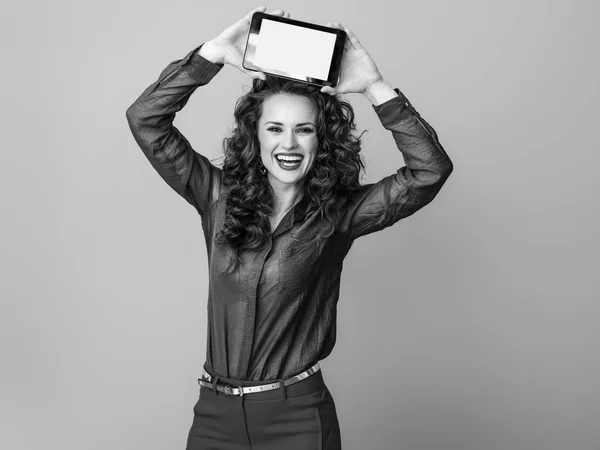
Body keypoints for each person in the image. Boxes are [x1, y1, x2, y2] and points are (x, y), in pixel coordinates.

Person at [125, 6, 453, 450]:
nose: (289, 143)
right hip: (214, 416)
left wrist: (375, 88)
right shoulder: (216, 197)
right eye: (275, 128)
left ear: (322, 141)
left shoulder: (340, 215)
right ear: (255, 135)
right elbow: (146, 119)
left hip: (296, 418)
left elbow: (428, 171)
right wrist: (214, 54)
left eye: (304, 130)